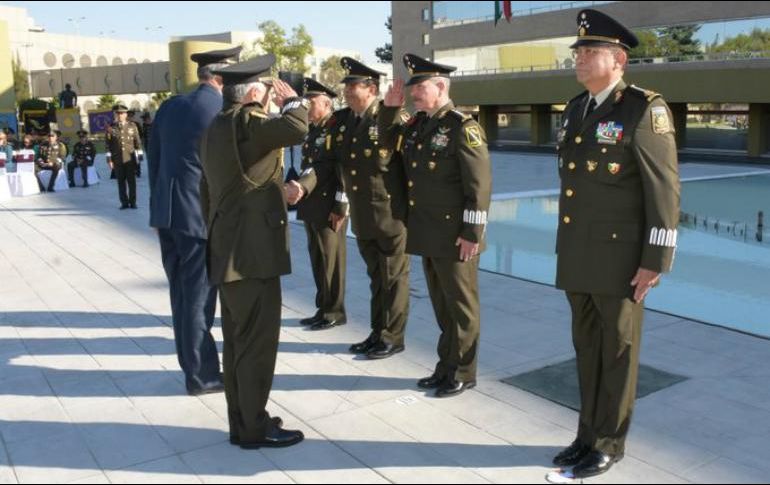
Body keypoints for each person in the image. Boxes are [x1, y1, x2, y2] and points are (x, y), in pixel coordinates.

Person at [549, 9, 680, 480]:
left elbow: (663, 191)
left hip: (622, 260)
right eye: (578, 52)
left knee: (618, 354)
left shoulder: (644, 109)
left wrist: (655, 260)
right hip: (580, 254)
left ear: (618, 59)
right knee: (586, 350)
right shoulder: (576, 107)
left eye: (590, 52)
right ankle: (585, 434)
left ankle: (609, 442)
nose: (579, 59)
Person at [199, 55, 308, 449]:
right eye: (266, 91)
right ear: (257, 93)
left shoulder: (215, 126)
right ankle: (255, 429)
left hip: (227, 252)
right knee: (257, 348)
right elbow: (297, 127)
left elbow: (206, 193)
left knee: (237, 344)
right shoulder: (248, 122)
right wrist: (295, 100)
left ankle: (242, 422)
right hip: (254, 257)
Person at [380, 54, 491, 397]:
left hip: (455, 234)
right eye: (412, 87)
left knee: (461, 307)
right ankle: (445, 367)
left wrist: (472, 233)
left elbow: (479, 186)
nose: (413, 93)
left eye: (419, 86)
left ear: (440, 86)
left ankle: (463, 371)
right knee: (443, 307)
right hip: (427, 230)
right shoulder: (417, 125)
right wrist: (388, 109)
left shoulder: (463, 127)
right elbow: (385, 145)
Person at [148, 45, 241, 396]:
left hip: (168, 213)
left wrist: (159, 206)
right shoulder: (221, 110)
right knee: (200, 299)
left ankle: (192, 367)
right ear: (219, 77)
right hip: (198, 217)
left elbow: (154, 162)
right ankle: (202, 376)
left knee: (181, 296)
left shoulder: (171, 106)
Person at [325, 57, 410, 358]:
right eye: (346, 86)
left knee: (393, 279)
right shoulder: (347, 120)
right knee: (377, 279)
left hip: (389, 215)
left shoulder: (389, 117)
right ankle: (378, 332)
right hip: (363, 214)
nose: (346, 91)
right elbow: (343, 167)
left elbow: (406, 167)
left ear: (371, 88)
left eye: (352, 86)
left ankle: (393, 336)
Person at [287, 78, 348, 331]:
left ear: (326, 103)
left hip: (328, 205)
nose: (308, 106)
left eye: (311, 102)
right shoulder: (314, 130)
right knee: (318, 259)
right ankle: (323, 307)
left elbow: (342, 168)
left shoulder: (336, 128)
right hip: (312, 204)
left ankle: (334, 311)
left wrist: (341, 206)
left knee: (330, 260)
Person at [105, 103, 143, 209]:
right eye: (117, 113)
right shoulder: (111, 127)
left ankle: (133, 202)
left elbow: (138, 142)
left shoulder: (132, 126)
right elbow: (107, 145)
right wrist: (109, 159)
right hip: (117, 158)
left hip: (130, 158)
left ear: (126, 114)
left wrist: (139, 156)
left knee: (132, 181)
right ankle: (124, 202)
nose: (120, 115)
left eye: (122, 113)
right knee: (120, 182)